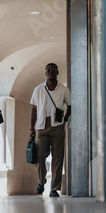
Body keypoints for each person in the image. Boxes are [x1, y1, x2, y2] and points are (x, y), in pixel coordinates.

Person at [29, 63, 71, 197]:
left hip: (57, 126)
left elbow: (70, 106)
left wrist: (64, 119)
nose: (51, 72)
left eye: (54, 70)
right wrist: (31, 128)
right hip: (41, 126)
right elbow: (34, 110)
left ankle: (54, 188)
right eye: (48, 70)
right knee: (39, 156)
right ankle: (41, 181)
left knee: (58, 158)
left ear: (57, 72)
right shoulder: (38, 89)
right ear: (45, 73)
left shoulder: (64, 90)